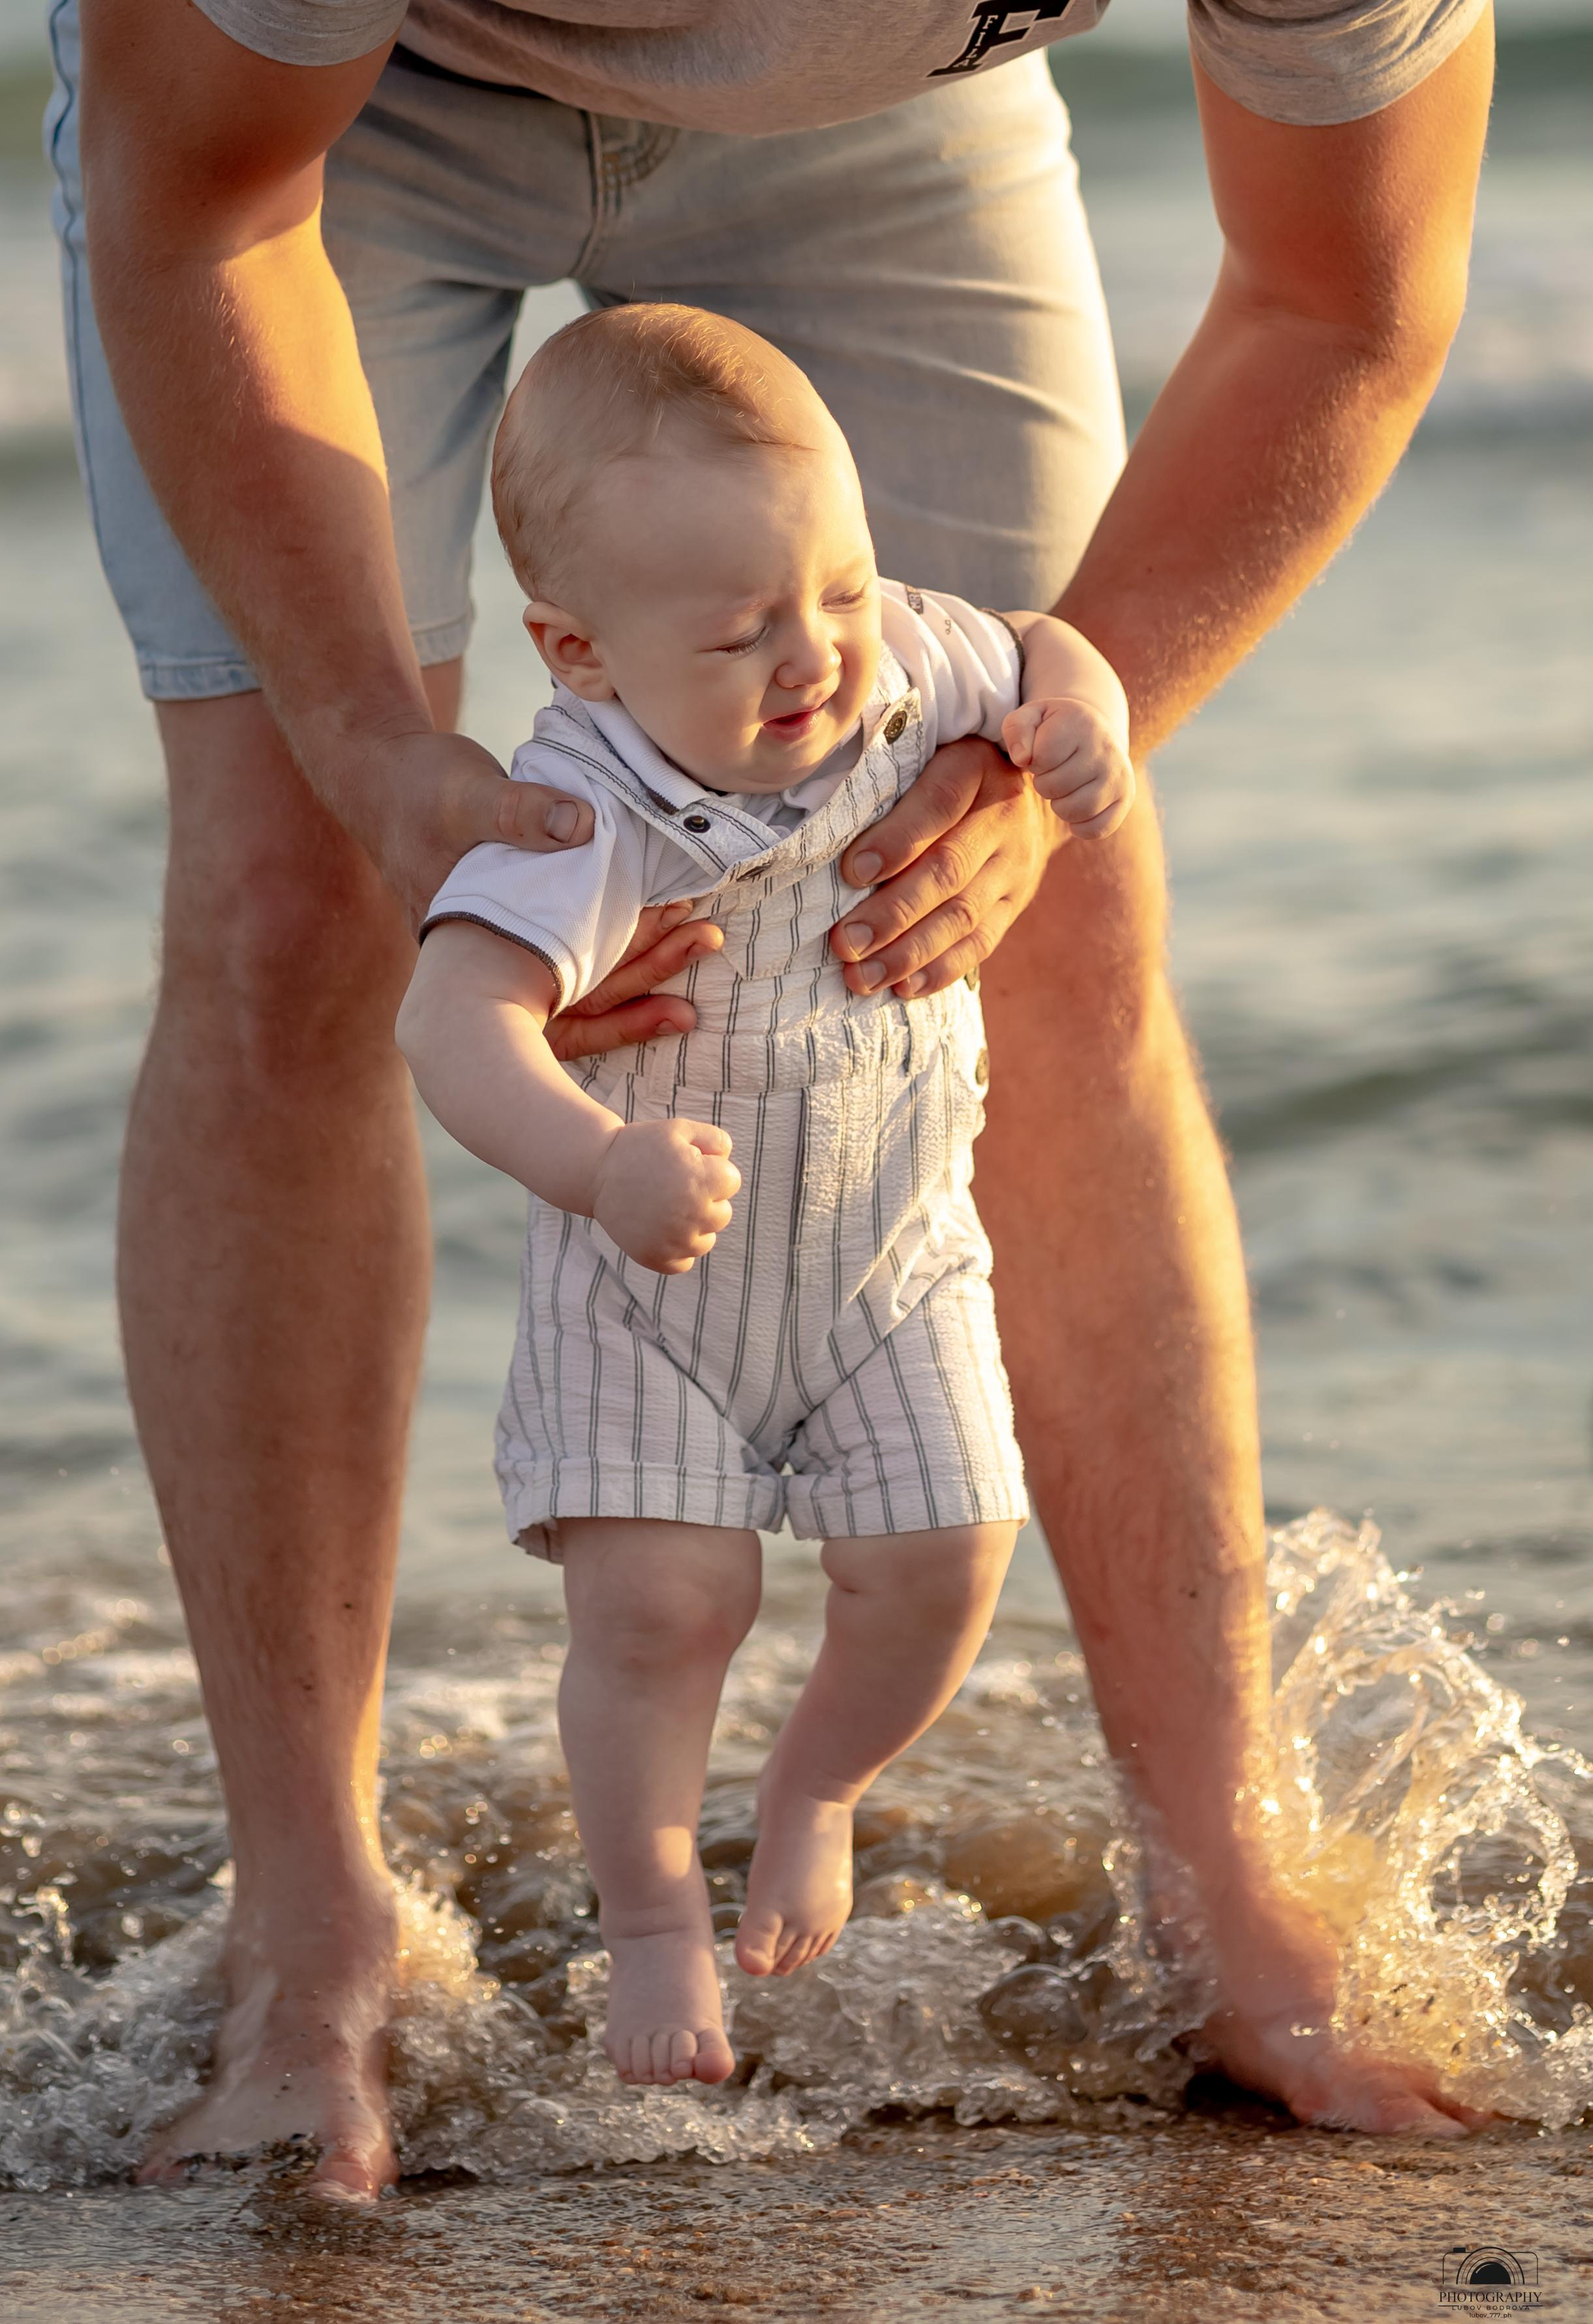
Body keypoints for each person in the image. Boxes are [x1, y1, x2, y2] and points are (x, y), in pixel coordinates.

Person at [53, 0, 1495, 2198]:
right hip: (339, 124)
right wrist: (365, 743)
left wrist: (1042, 758)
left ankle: (1227, 1901)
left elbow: (1344, 296)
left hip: (883, 118)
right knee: (294, 903)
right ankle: (307, 1939)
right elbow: (204, 208)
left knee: (1056, 901)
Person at [398, 303, 1136, 2087]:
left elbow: (1044, 641)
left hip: (891, 1254)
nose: (815, 651)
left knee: (945, 1550)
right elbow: (452, 1017)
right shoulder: (587, 810)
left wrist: (1086, 720)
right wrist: (596, 1158)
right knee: (661, 1610)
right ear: (579, 652)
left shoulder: (895, 652)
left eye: (837, 583)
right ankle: (654, 1928)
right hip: (654, 1286)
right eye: (741, 630)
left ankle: (818, 1787)